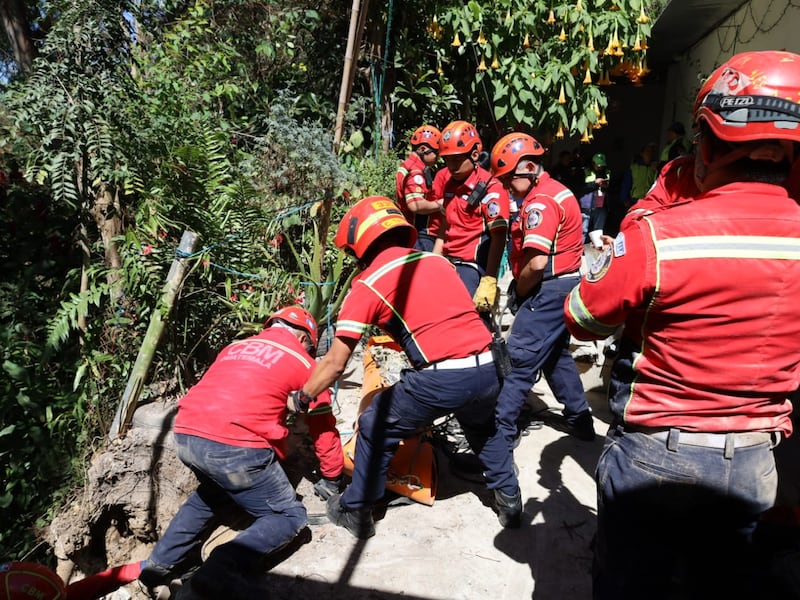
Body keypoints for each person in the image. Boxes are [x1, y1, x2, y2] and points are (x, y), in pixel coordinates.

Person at [564, 50, 800, 599]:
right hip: (753, 462)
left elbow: (581, 317)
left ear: (710, 143)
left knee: (630, 585)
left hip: (657, 460)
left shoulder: (659, 236)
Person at [292, 196, 518, 538]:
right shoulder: (437, 262)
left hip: (444, 377)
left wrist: (303, 396)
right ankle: (510, 501)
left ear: (360, 246)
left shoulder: (367, 284)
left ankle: (357, 510)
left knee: (374, 423)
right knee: (484, 429)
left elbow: (336, 363)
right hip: (489, 367)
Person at [138, 306, 343, 597]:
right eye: (311, 344)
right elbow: (322, 428)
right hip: (236, 447)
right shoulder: (305, 363)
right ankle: (218, 570)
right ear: (304, 338)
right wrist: (332, 476)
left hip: (185, 435)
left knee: (211, 494)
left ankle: (157, 566)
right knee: (288, 516)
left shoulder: (236, 348)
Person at [488, 133, 595, 452]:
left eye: (509, 179)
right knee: (555, 355)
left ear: (530, 167)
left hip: (547, 288)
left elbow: (535, 263)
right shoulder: (556, 191)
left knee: (519, 358)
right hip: (565, 285)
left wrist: (519, 291)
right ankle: (579, 417)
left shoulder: (541, 202)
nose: (506, 187)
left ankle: (501, 431)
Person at [432, 120, 510, 313]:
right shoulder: (449, 184)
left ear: (474, 154)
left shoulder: (491, 189)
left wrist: (489, 279)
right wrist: (433, 260)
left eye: (456, 160)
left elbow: (498, 237)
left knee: (468, 321)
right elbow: (445, 226)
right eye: (447, 160)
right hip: (447, 264)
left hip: (471, 267)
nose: (451, 166)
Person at [395, 124, 444, 251]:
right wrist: (440, 204)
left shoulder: (407, 165)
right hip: (418, 233)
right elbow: (415, 205)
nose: (438, 157)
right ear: (423, 149)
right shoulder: (415, 172)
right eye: (436, 152)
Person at [612, 143, 658, 235]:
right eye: (647, 152)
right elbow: (626, 184)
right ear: (642, 153)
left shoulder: (655, 168)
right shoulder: (634, 168)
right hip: (634, 202)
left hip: (649, 202)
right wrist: (625, 199)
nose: (650, 154)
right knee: (631, 226)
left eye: (652, 152)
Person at [578, 152, 610, 239]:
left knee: (598, 231)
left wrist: (606, 186)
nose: (600, 167)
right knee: (583, 230)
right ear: (593, 163)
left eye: (602, 165)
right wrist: (595, 183)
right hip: (586, 206)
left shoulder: (607, 172)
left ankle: (597, 249)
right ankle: (580, 250)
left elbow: (612, 188)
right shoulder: (585, 171)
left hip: (601, 205)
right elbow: (580, 188)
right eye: (598, 165)